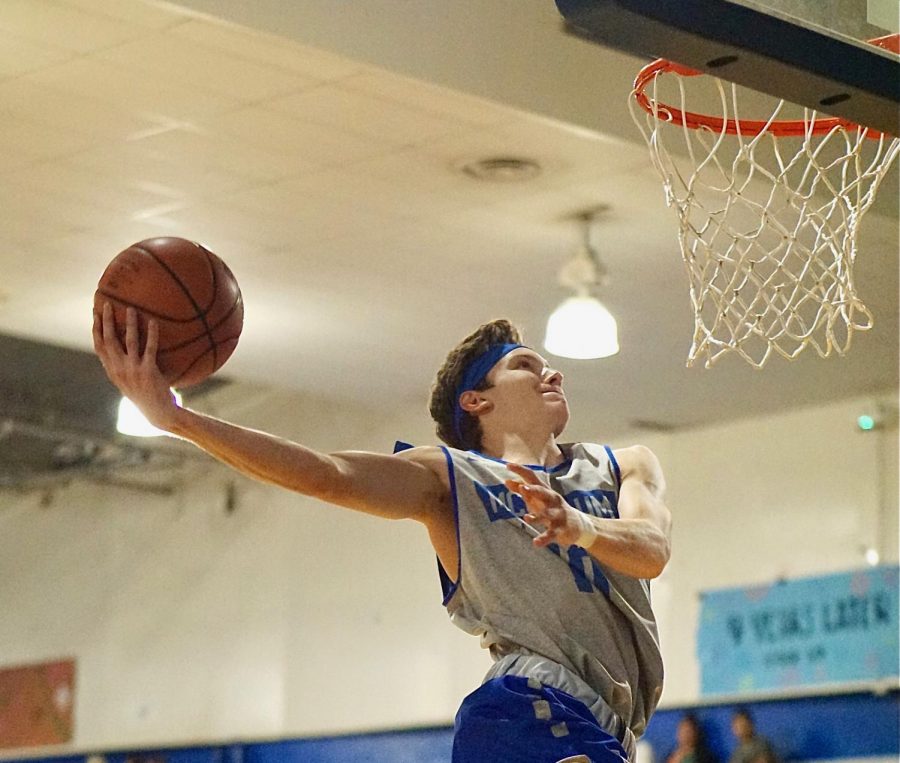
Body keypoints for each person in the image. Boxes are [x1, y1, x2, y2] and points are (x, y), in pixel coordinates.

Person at [93, 308, 671, 763]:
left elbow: (652, 550)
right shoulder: (450, 478)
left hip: (611, 726)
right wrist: (177, 420)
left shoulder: (623, 465)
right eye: (525, 365)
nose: (553, 372)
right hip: (530, 705)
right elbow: (327, 474)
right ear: (477, 400)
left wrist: (582, 526)